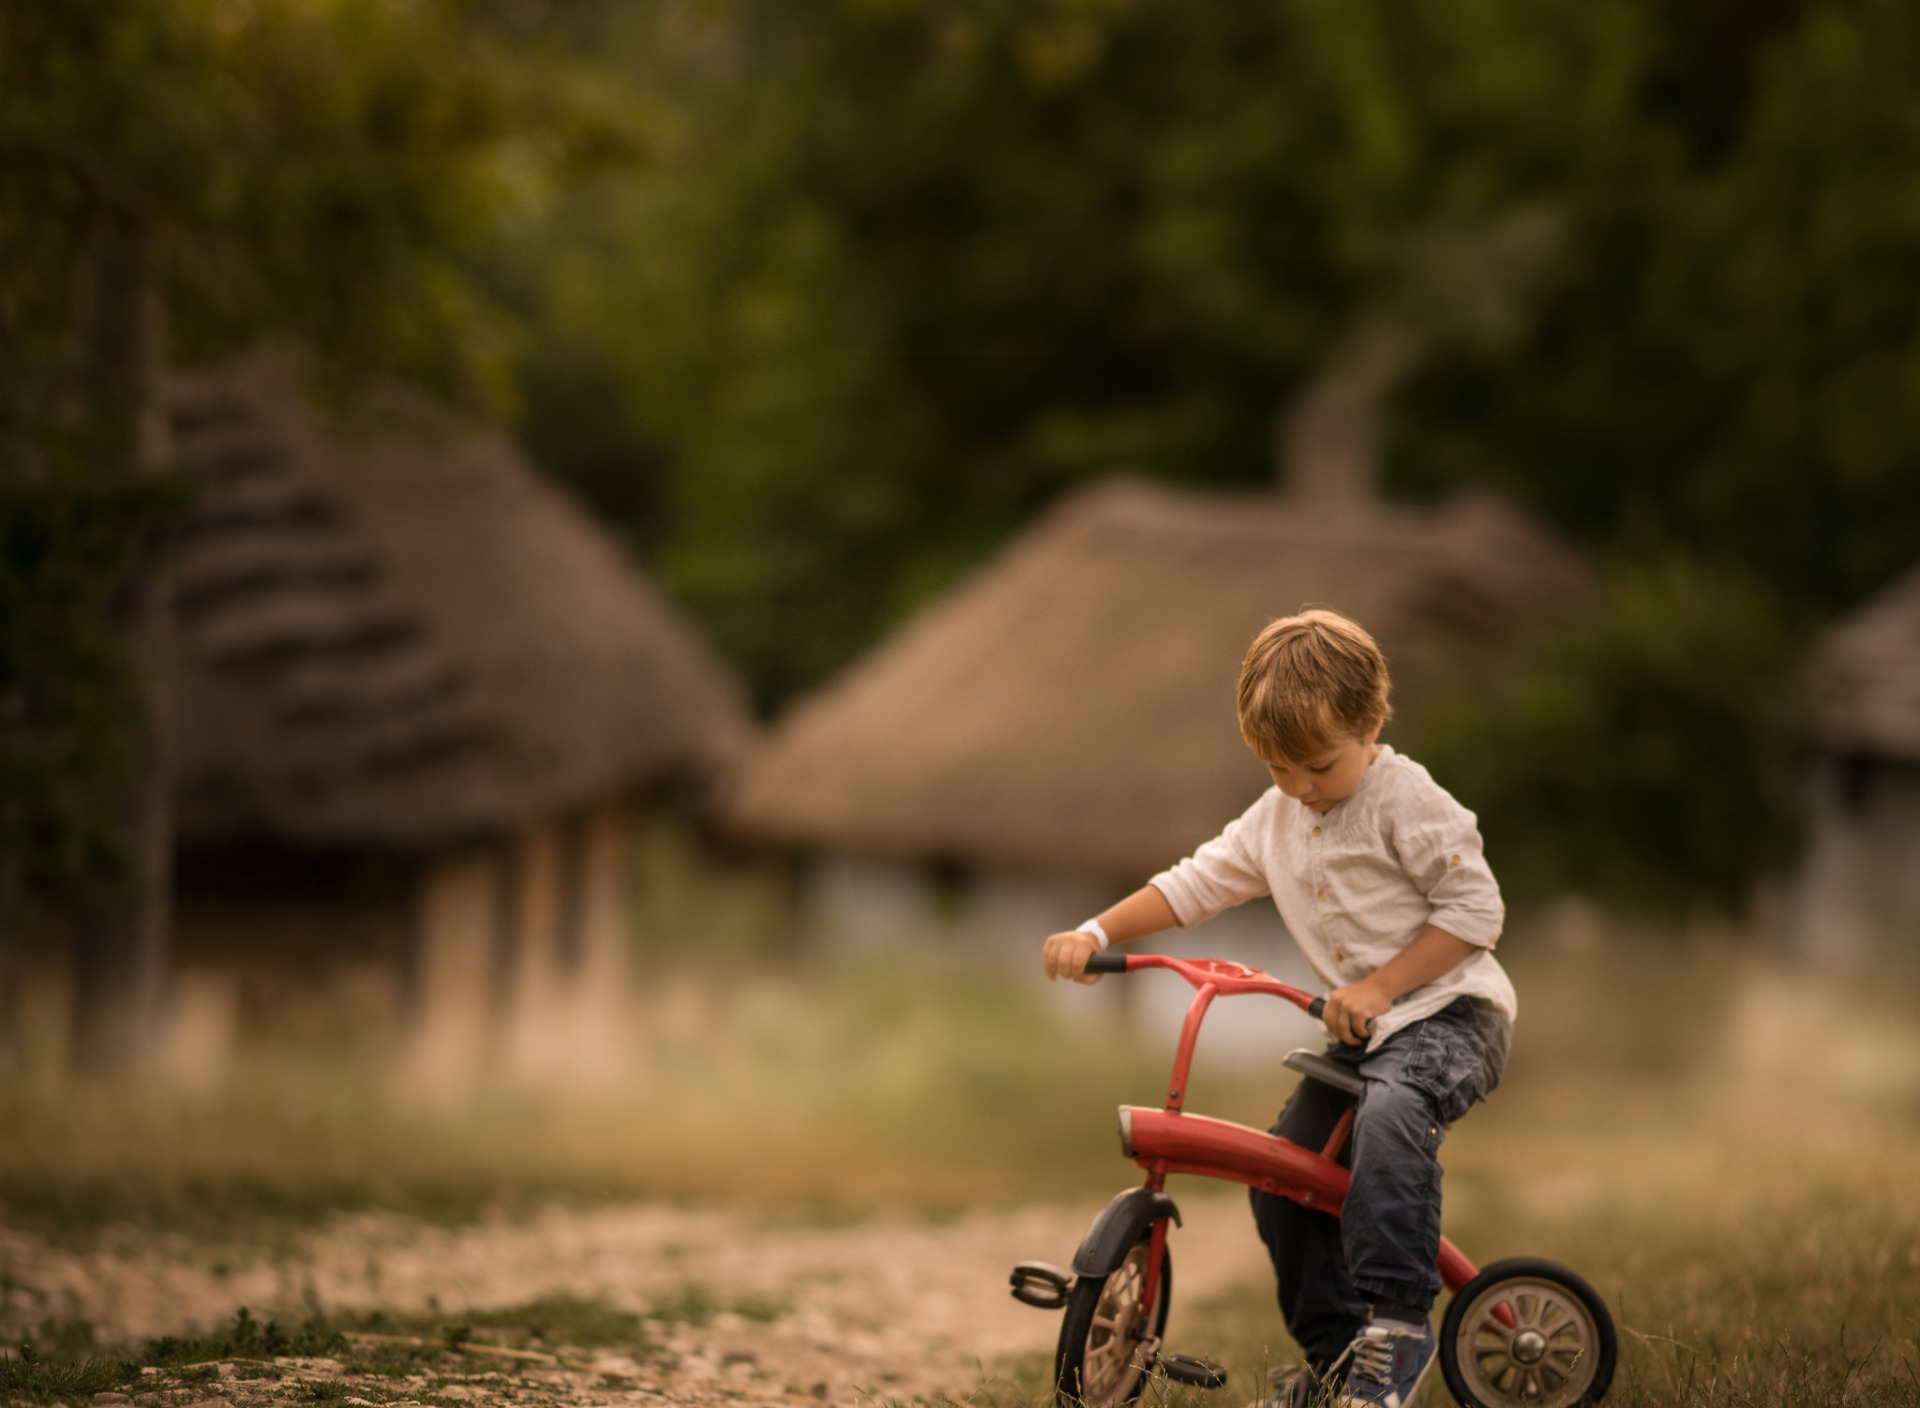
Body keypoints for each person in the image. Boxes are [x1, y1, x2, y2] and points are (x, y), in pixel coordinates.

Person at [1041, 609, 1514, 1408]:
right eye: (1276, 769)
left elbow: (1477, 913)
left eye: (1318, 767)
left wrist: (1379, 987)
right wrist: (1096, 930)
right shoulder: (1277, 818)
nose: (1298, 788)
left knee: (1390, 1121)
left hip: (1450, 1016)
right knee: (1281, 1177)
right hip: (1364, 1033)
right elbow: (1194, 884)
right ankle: (1339, 1363)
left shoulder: (1408, 801)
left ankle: (1399, 1326)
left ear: (1371, 725)